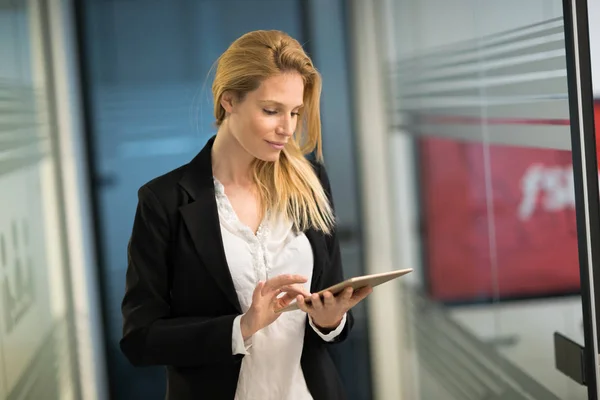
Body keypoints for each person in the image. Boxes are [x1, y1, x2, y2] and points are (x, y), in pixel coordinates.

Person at [119, 29, 372, 400]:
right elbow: (140, 339)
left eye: (295, 112)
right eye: (271, 111)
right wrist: (243, 326)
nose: (287, 128)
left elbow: (331, 316)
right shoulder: (164, 201)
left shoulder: (310, 183)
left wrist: (329, 320)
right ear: (229, 102)